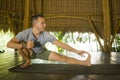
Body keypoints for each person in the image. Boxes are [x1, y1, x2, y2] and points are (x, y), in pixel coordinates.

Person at [7, 14, 91, 68]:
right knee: (18, 43)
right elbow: (9, 44)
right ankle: (28, 61)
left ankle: (85, 63)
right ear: (35, 25)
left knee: (63, 58)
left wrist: (77, 51)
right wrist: (25, 46)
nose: (45, 25)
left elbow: (61, 44)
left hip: (42, 52)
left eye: (45, 23)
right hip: (29, 53)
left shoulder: (46, 35)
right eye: (42, 23)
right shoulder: (24, 33)